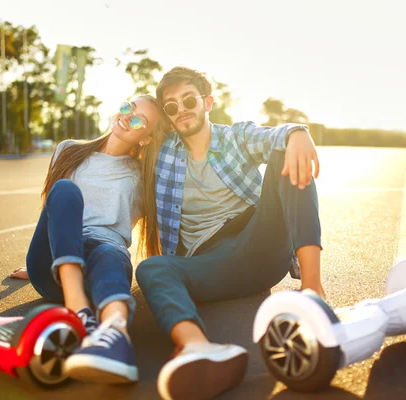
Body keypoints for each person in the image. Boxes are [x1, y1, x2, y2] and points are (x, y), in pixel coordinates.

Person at [135, 67, 324, 400]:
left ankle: (313, 292)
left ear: (207, 102)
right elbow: (123, 145)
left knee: (285, 154)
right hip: (209, 263)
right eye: (172, 106)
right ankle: (196, 347)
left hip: (256, 244)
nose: (182, 111)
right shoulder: (162, 154)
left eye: (189, 100)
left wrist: (298, 133)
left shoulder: (235, 137)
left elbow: (271, 137)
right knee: (151, 268)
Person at [11, 95, 168, 384]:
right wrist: (32, 258)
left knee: (111, 251)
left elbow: (168, 218)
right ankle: (79, 310)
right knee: (66, 191)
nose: (126, 117)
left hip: (101, 260)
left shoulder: (142, 179)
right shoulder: (68, 150)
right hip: (53, 268)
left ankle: (115, 334)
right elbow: (53, 208)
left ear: (146, 139)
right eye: (127, 107)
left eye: (138, 120)